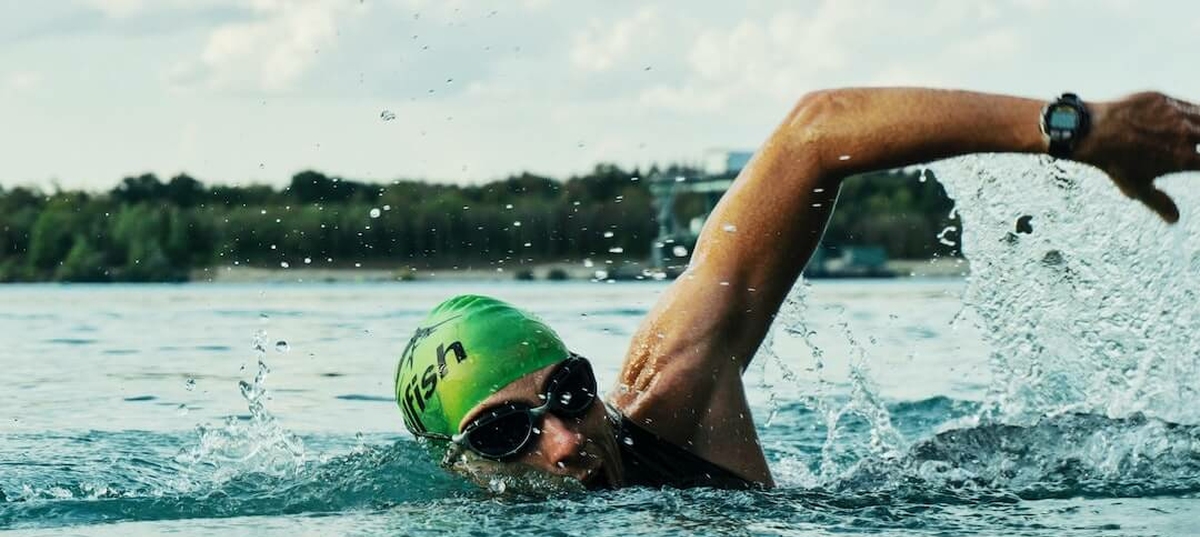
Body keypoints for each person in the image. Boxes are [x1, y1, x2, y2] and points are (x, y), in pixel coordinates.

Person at [395, 88, 1200, 492]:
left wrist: (1076, 130)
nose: (565, 442)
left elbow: (814, 132)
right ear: (458, 466)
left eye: (568, 393)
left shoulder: (672, 392)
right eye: (506, 435)